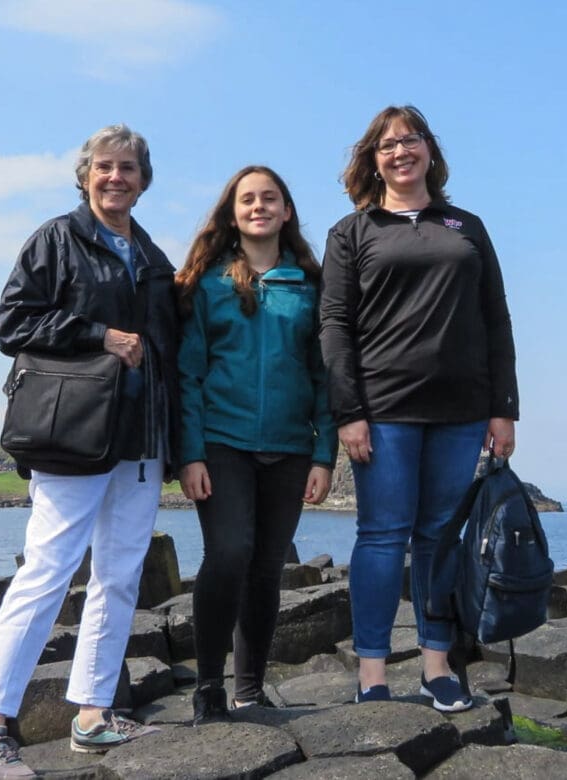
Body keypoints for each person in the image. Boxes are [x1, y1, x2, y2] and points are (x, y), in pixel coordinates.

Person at [0, 124, 179, 780]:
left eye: (129, 168)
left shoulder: (154, 257)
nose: (116, 177)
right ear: (84, 175)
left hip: (139, 440)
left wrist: (174, 446)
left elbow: (168, 354)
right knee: (47, 571)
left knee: (119, 576)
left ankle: (94, 714)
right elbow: (13, 323)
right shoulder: (56, 239)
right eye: (104, 167)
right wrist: (99, 334)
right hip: (71, 435)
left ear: (144, 179)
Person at [319, 105, 519, 712]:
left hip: (462, 409)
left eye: (410, 140)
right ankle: (373, 675)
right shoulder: (351, 233)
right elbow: (333, 325)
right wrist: (347, 411)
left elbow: (496, 318)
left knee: (441, 537)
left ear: (430, 151)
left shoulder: (467, 225)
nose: (400, 152)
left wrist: (503, 407)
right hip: (383, 409)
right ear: (371, 160)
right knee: (381, 537)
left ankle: (437, 666)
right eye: (387, 145)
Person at [175, 165, 338, 724]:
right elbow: (189, 374)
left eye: (270, 198)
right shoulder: (207, 284)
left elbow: (325, 377)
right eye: (248, 199)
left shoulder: (312, 286)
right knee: (227, 556)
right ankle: (207, 689)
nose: (259, 206)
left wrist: (324, 455)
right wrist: (189, 452)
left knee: (267, 567)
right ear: (232, 212)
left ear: (287, 211)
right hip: (222, 441)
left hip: (292, 449)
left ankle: (250, 689)